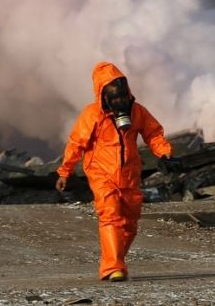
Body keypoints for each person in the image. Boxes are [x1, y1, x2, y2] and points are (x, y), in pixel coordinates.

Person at [55, 61, 174, 282]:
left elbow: (154, 134)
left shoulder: (137, 111)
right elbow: (76, 144)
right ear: (104, 96)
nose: (120, 101)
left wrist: (165, 153)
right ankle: (113, 267)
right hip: (100, 171)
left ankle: (114, 257)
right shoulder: (92, 115)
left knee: (129, 222)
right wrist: (65, 172)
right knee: (110, 214)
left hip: (129, 173)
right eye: (115, 97)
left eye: (123, 95)